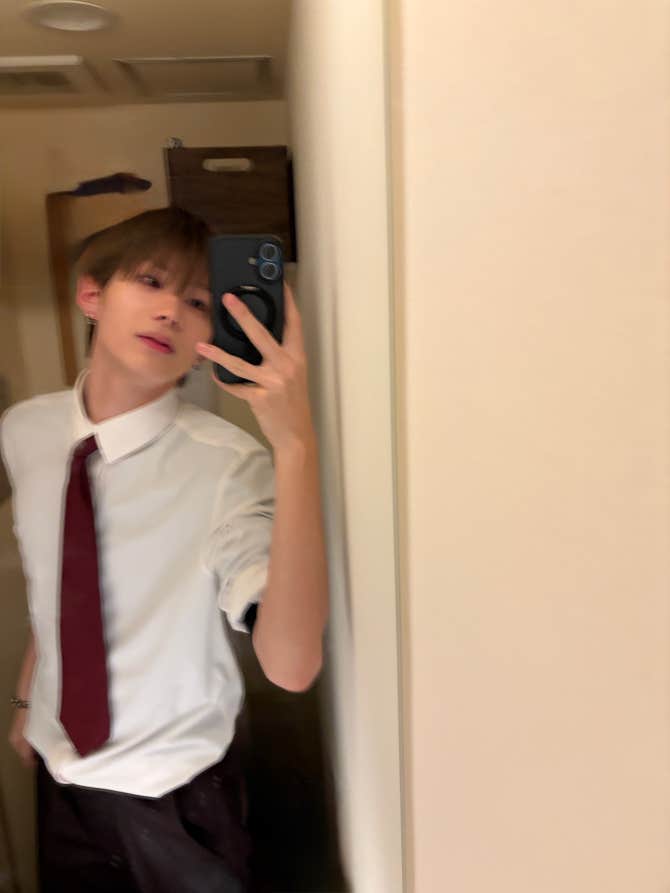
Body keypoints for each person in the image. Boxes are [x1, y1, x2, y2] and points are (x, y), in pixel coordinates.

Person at [2, 207, 329, 892]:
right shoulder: (24, 432)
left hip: (179, 798)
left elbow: (292, 665)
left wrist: (294, 445)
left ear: (211, 336)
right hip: (60, 775)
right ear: (92, 293)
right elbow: (57, 579)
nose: (171, 312)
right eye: (151, 281)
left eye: (199, 302)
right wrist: (28, 700)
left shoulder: (228, 466)